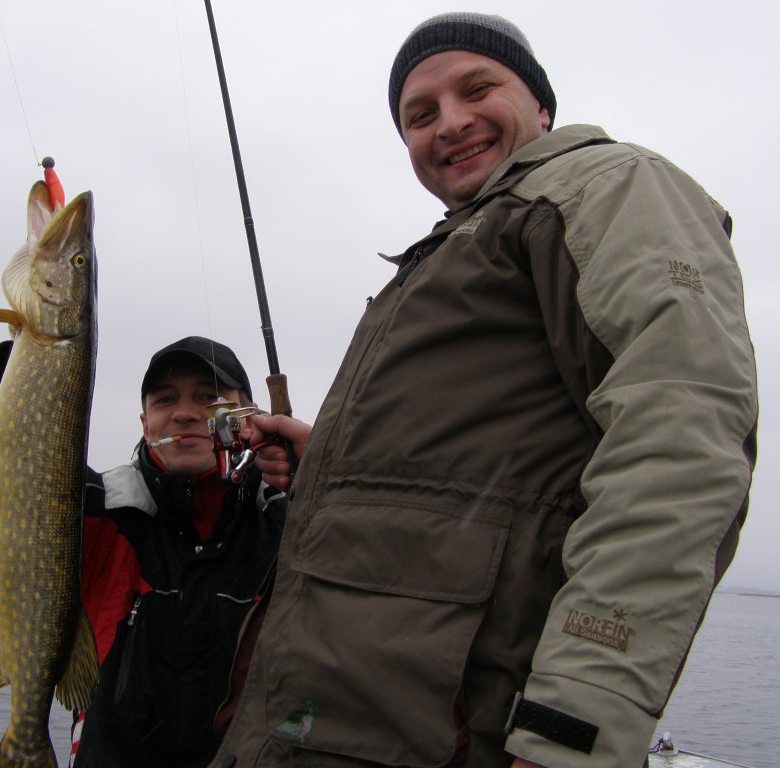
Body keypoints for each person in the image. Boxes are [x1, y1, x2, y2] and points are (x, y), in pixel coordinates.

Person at [212, 12, 757, 768]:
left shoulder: (605, 184)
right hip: (333, 725)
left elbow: (682, 442)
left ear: (541, 105)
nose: (450, 123)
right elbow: (472, 472)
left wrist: (574, 723)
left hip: (448, 734)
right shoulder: (456, 244)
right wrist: (330, 465)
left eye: (478, 90)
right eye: (419, 115)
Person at [0, 335, 286, 768]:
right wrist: (13, 368)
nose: (185, 413)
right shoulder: (98, 508)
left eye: (208, 397)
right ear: (146, 424)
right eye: (165, 399)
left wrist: (314, 470)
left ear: (248, 417)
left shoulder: (291, 521)